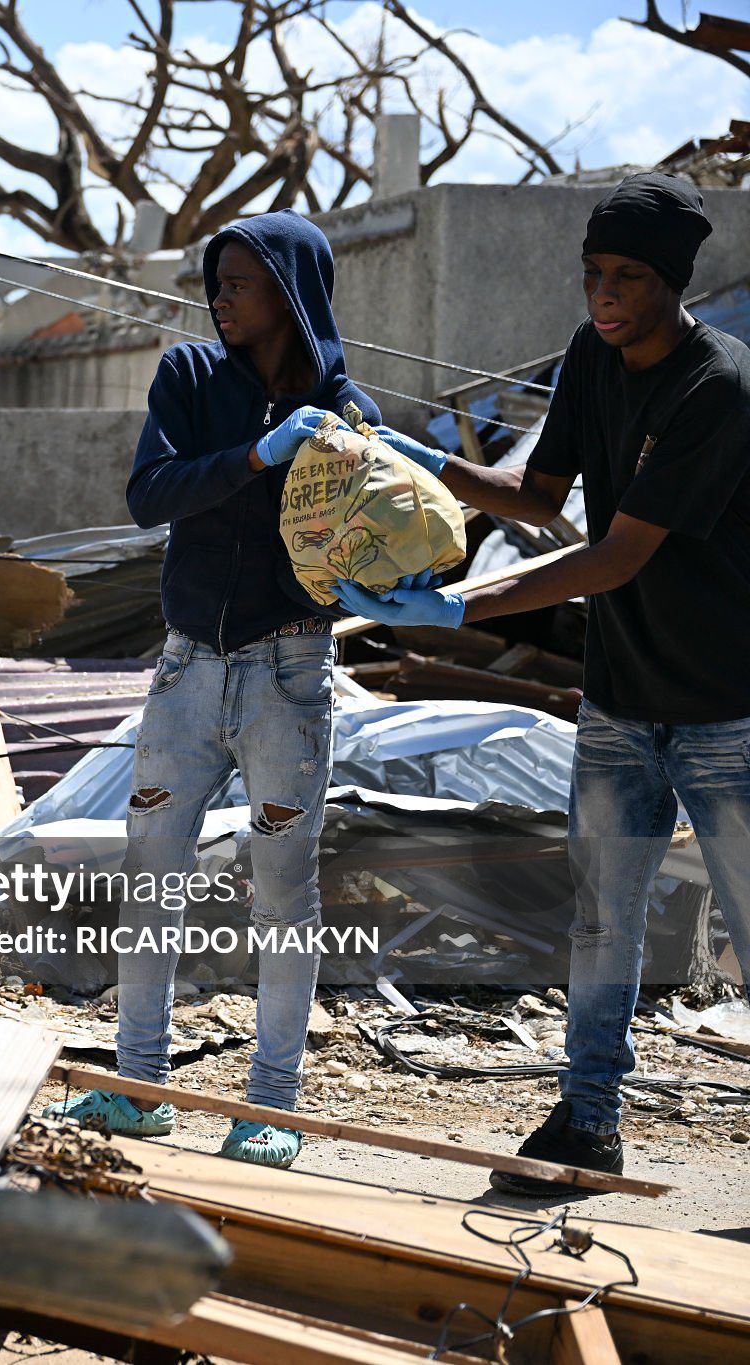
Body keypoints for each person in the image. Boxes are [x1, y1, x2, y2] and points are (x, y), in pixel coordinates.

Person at [336, 172, 750, 1196]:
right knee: (601, 919)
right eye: (591, 271)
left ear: (671, 281)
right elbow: (534, 494)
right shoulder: (591, 355)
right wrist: (409, 456)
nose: (602, 293)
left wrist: (453, 609)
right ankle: (587, 1120)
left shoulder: (717, 387)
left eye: (626, 276)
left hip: (723, 708)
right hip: (620, 698)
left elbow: (612, 556)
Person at [54, 211, 379, 1168]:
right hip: (188, 667)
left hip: (290, 670)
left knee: (283, 888)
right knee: (152, 878)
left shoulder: (344, 409)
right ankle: (140, 1090)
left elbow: (365, 537)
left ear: (292, 291)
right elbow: (149, 494)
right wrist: (254, 456)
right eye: (218, 282)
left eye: (241, 283)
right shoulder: (190, 376)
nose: (220, 299)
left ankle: (271, 1105)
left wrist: (390, 574)